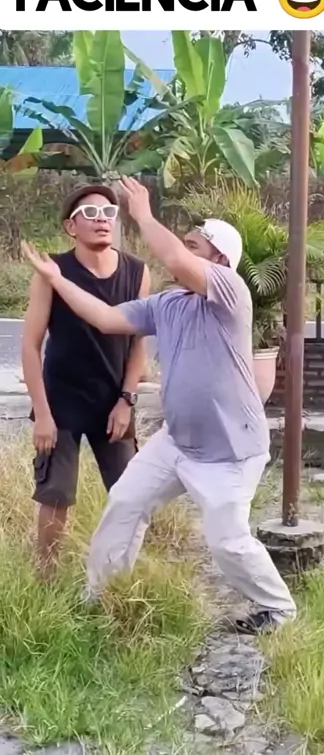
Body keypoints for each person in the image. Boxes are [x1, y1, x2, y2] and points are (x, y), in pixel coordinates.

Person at [21, 176, 296, 634]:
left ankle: (278, 609)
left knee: (227, 541)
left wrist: (143, 215)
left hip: (230, 452)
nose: (183, 251)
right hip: (176, 443)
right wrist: (55, 279)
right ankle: (101, 595)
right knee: (125, 503)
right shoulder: (167, 303)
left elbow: (171, 258)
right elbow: (106, 318)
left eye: (194, 246)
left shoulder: (230, 293)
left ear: (218, 260)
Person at [22, 182, 150, 577]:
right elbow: (30, 345)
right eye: (90, 214)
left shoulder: (137, 272)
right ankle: (46, 579)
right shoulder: (52, 271)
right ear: (70, 227)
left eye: (109, 213)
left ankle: (117, 578)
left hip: (113, 403)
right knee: (55, 495)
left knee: (130, 494)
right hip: (61, 404)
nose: (101, 220)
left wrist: (127, 400)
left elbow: (138, 344)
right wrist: (43, 414)